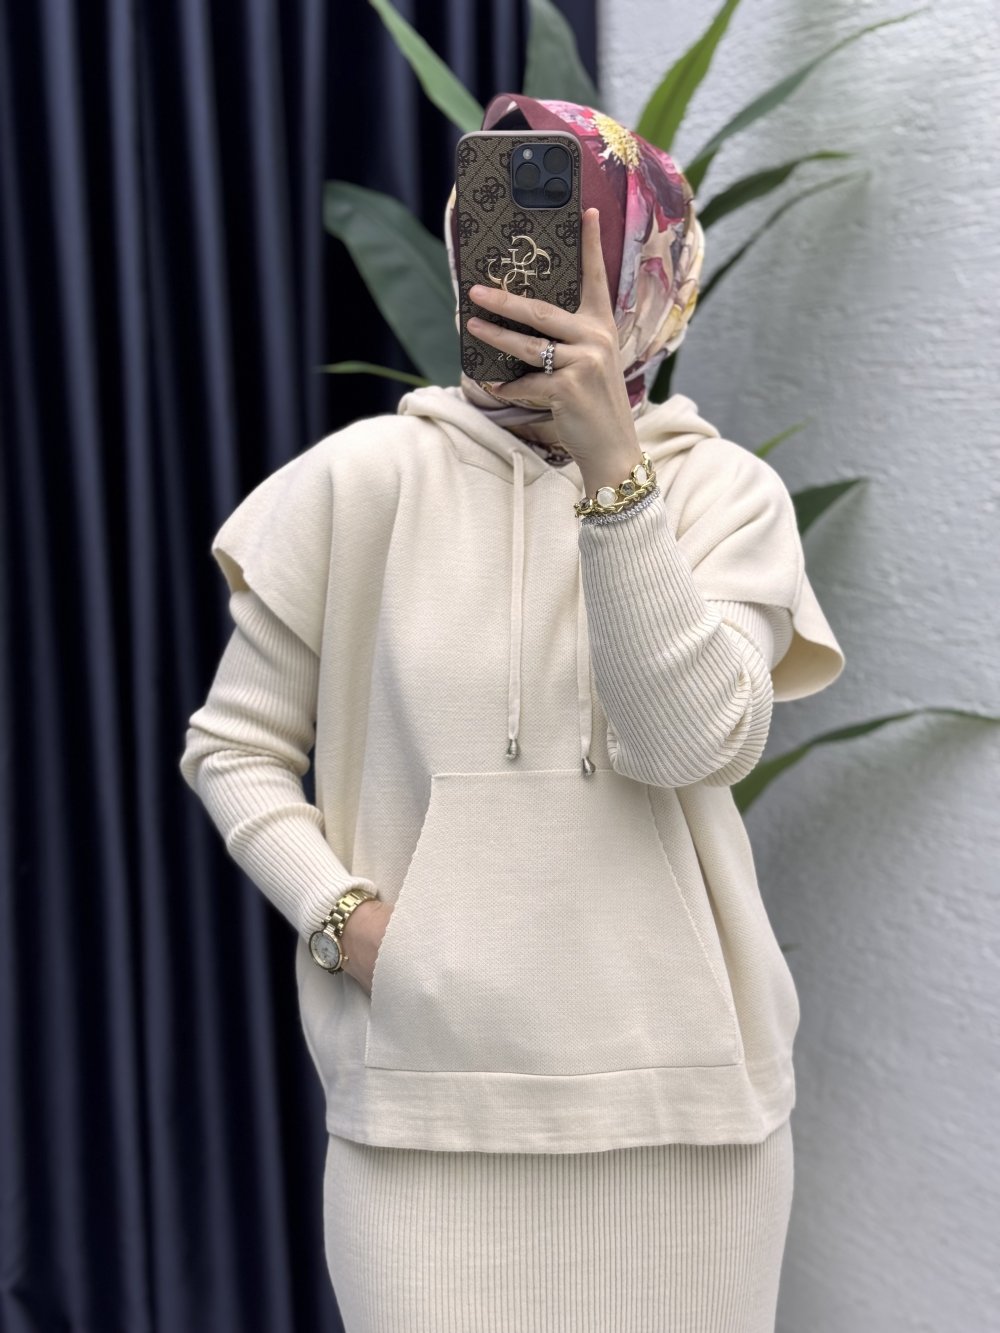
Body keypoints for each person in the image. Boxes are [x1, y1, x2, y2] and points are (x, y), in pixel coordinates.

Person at [179, 92, 845, 1333]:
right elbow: (235, 747)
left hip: (688, 1118)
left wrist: (613, 474)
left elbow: (687, 741)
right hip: (426, 1113)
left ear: (652, 279)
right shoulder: (358, 482)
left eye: (582, 248)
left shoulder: (726, 497)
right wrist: (347, 922)